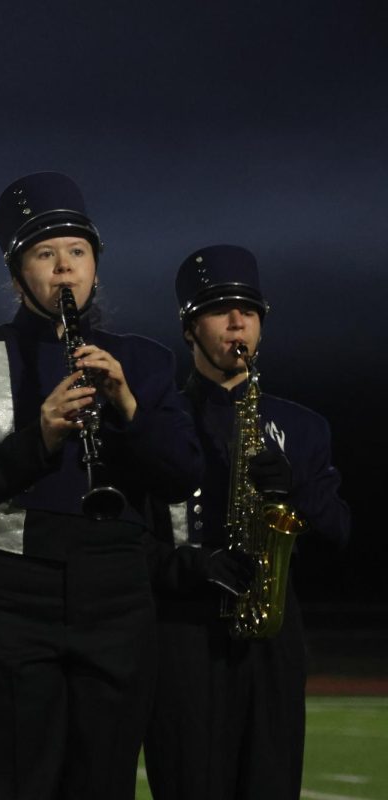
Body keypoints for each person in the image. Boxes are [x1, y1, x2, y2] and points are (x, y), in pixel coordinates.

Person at [0, 172, 202, 799]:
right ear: (18, 273)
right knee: (13, 779)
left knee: (103, 781)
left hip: (116, 594)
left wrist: (128, 405)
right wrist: (40, 435)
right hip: (5, 597)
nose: (64, 269)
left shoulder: (146, 360)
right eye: (44, 255)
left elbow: (185, 474)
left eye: (77, 252)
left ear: (95, 266)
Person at [143, 245, 350, 800]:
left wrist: (295, 491)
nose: (238, 323)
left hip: (272, 640)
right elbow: (130, 544)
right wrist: (196, 566)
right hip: (182, 643)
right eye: (219, 310)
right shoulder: (158, 422)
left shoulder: (302, 426)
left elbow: (339, 532)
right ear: (190, 329)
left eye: (249, 311)